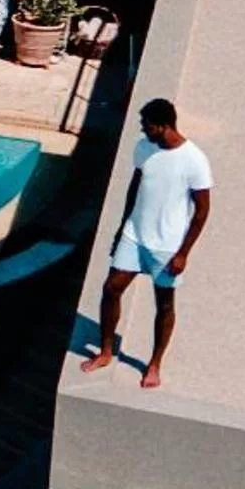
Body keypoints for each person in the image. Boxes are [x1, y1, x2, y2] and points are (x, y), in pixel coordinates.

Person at [81, 98, 213, 391]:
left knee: (164, 304)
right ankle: (105, 351)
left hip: (167, 245)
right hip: (134, 235)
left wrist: (183, 253)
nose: (142, 129)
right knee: (111, 288)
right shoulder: (144, 149)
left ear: (163, 125)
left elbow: (202, 211)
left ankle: (154, 364)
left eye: (146, 125)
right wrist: (121, 229)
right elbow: (134, 187)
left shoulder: (194, 160)